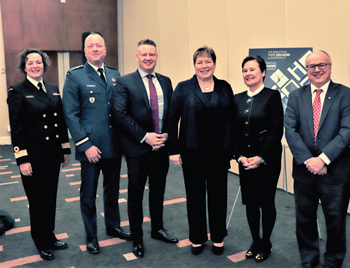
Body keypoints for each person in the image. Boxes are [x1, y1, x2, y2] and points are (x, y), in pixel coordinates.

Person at [284, 50, 350, 268]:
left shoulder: (346, 94)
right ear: (306, 70)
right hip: (304, 171)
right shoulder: (296, 95)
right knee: (304, 220)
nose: (316, 70)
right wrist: (310, 161)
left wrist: (323, 159)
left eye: (321, 65)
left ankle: (333, 262)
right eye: (311, 66)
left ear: (330, 67)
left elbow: (347, 131)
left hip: (335, 173)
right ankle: (309, 259)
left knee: (335, 222)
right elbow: (291, 131)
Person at [62, 32, 130, 254]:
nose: (95, 49)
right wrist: (85, 145)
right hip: (90, 146)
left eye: (99, 45)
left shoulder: (115, 74)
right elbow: (70, 115)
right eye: (90, 46)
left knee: (112, 191)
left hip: (113, 144)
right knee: (88, 193)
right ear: (84, 50)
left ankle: (113, 226)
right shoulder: (75, 76)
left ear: (105, 49)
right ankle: (91, 236)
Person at [112, 39, 178, 259]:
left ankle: (157, 228)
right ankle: (137, 237)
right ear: (137, 57)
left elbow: (170, 113)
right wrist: (144, 136)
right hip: (137, 149)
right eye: (144, 54)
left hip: (160, 147)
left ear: (157, 56)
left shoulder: (166, 81)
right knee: (135, 195)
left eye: (152, 54)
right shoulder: (124, 82)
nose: (148, 58)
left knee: (158, 190)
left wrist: (166, 135)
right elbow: (120, 114)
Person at [167, 46, 234, 255]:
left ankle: (217, 237)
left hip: (219, 152)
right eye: (200, 62)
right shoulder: (183, 87)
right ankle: (197, 237)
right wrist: (173, 150)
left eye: (208, 61)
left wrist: (232, 148)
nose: (204, 66)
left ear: (214, 63)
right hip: (192, 151)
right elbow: (172, 119)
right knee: (195, 196)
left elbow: (232, 119)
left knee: (218, 196)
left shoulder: (224, 87)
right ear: (194, 65)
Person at [7, 48, 71, 260]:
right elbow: (17, 129)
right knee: (37, 201)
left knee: (50, 198)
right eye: (30, 62)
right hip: (33, 158)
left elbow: (60, 121)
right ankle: (40, 240)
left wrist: (64, 148)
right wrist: (22, 159)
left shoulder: (53, 88)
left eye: (39, 62)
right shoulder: (17, 91)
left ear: (44, 65)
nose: (35, 66)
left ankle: (50, 235)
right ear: (24, 67)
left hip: (52, 155)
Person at [234, 55, 283, 262]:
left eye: (252, 69)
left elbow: (276, 131)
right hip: (245, 162)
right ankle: (255, 240)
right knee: (251, 203)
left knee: (266, 202)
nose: (248, 73)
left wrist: (261, 157)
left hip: (267, 160)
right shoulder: (236, 99)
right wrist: (239, 157)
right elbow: (233, 131)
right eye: (245, 70)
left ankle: (266, 242)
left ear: (263, 72)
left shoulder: (272, 96)